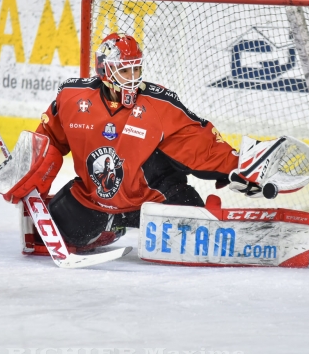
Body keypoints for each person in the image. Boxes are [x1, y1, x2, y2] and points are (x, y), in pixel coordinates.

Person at [33, 33, 267, 250]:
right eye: (125, 71)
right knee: (47, 235)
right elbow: (49, 140)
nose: (133, 78)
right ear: (105, 70)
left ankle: (138, 219)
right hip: (93, 200)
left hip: (153, 199)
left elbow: (199, 145)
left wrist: (238, 166)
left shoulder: (159, 104)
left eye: (136, 70)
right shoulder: (73, 97)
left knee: (196, 236)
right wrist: (31, 176)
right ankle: (112, 224)